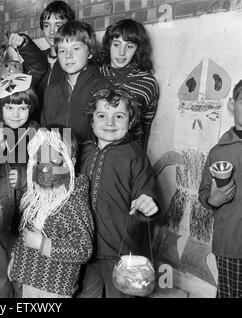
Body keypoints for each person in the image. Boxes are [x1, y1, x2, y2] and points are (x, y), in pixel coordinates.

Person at [77, 87, 158, 298]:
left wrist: (146, 202)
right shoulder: (82, 151)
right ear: (91, 120)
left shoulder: (135, 155)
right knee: (85, 294)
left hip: (121, 250)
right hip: (83, 247)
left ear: (130, 122)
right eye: (101, 115)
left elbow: (145, 192)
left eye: (119, 116)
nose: (110, 123)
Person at [8, 126, 94, 298]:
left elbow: (83, 249)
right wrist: (14, 260)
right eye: (39, 162)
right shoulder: (34, 195)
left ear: (72, 162)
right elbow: (24, 234)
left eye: (55, 163)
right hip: (24, 279)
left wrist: (43, 244)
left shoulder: (73, 203)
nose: (45, 169)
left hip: (52, 290)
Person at [0, 73, 39, 297]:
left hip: (27, 219)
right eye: (10, 108)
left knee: (23, 273)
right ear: (0, 108)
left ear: (31, 108)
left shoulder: (37, 135)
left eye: (22, 108)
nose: (16, 114)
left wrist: (24, 178)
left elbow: (49, 172)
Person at [198, 80, 242, 298]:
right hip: (230, 245)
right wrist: (213, 200)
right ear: (232, 105)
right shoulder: (219, 151)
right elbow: (204, 194)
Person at [98, 19, 159, 150]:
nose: (121, 52)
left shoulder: (147, 83)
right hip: (93, 152)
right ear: (109, 45)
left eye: (129, 46)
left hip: (126, 155)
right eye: (116, 44)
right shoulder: (95, 74)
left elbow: (143, 127)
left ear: (138, 49)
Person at [40, 20, 105, 143]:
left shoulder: (102, 88)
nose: (68, 55)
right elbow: (45, 133)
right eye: (62, 51)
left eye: (75, 48)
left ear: (90, 52)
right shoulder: (51, 91)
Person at [37, 1, 76, 104]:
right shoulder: (36, 60)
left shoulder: (75, 62)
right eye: (46, 25)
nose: (51, 31)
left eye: (58, 25)